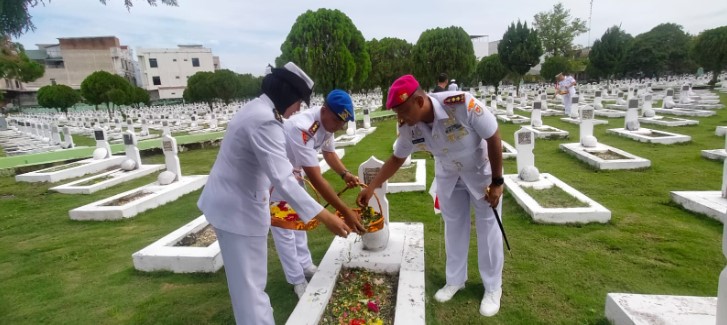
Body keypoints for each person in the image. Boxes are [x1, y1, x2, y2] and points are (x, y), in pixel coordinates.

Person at [197, 62, 352, 325]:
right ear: (287, 95)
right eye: (299, 102)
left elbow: (278, 170)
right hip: (237, 211)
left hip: (239, 205)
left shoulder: (260, 110)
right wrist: (328, 217)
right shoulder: (265, 121)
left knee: (251, 285)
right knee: (249, 290)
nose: (299, 109)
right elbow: (283, 179)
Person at [356, 75, 505, 317]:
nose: (400, 118)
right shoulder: (408, 126)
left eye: (403, 111)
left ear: (420, 100)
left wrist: (497, 182)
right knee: (454, 228)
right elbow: (397, 158)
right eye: (397, 113)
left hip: (480, 174)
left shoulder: (461, 104)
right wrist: (372, 186)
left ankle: (492, 288)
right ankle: (455, 280)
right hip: (449, 176)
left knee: (489, 232)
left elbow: (493, 136)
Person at [271, 89, 365, 298]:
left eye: (343, 123)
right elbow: (317, 178)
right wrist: (345, 211)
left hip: (294, 177)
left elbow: (328, 151)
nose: (339, 127)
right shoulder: (302, 127)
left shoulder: (328, 123)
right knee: (285, 230)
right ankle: (296, 279)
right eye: (337, 121)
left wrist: (344, 173)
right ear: (324, 111)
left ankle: (305, 264)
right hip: (276, 181)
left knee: (300, 225)